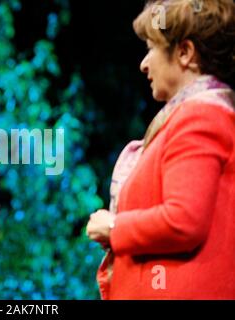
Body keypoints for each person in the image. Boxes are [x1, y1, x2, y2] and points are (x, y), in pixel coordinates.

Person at [86, 0, 235, 299]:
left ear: (184, 53)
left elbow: (184, 221)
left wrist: (115, 226)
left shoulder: (201, 117)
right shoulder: (189, 117)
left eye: (152, 47)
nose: (144, 64)